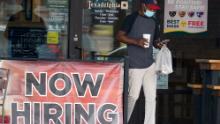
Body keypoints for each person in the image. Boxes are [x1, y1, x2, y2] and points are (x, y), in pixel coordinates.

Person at [116, 0, 165, 124]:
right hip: (135, 64)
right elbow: (120, 36)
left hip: (149, 64)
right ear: (143, 5)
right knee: (133, 96)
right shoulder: (131, 18)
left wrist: (158, 44)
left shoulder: (154, 21)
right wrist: (137, 41)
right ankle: (123, 121)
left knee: (151, 97)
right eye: (150, 8)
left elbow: (154, 41)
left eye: (154, 9)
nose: (152, 11)